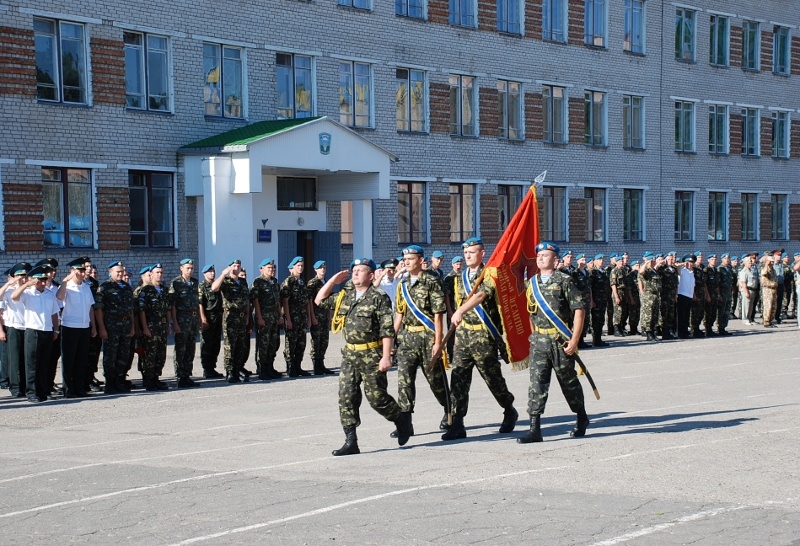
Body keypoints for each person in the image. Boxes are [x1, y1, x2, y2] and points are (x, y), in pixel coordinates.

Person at [314, 258, 412, 456]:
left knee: (377, 398)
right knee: (346, 396)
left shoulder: (378, 297)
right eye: (354, 270)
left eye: (361, 271)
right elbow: (319, 300)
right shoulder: (346, 295)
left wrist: (386, 356)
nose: (356, 273)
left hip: (372, 354)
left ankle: (401, 420)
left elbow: (387, 330)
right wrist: (333, 281)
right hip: (350, 354)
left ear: (371, 275)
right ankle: (351, 441)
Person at [445, 237, 518, 441]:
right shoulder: (459, 278)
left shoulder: (490, 274)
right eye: (465, 252)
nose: (468, 256)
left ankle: (509, 409)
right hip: (463, 336)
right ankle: (457, 423)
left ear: (482, 254)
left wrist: (460, 310)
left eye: (472, 252)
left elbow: (481, 296)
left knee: (493, 379)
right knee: (458, 379)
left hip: (484, 335)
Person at [518, 241, 588, 443]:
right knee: (536, 384)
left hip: (560, 342)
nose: (540, 258)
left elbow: (579, 311)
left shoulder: (565, 281)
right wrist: (534, 337)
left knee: (568, 382)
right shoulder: (531, 283)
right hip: (539, 342)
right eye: (538, 256)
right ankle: (534, 429)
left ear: (555, 260)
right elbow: (531, 313)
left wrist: (574, 340)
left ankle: (581, 416)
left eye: (545, 255)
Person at [394, 245, 450, 433]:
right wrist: (392, 339)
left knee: (435, 380)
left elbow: (438, 314)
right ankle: (406, 422)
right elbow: (399, 314)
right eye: (405, 259)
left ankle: (449, 410)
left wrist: (438, 342)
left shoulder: (432, 281)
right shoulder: (402, 285)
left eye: (411, 258)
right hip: (408, 337)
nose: (407, 262)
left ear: (420, 260)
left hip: (428, 337)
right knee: (404, 379)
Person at [12, 265, 60, 403]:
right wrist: (27, 284)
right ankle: (31, 392)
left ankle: (42, 391)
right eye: (41, 280)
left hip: (47, 331)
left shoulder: (49, 294)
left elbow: (54, 313)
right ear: (35, 280)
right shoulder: (27, 293)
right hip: (33, 331)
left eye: (45, 279)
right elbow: (14, 296)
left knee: (45, 363)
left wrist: (56, 329)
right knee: (32, 364)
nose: (44, 283)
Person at [55, 258, 96, 398]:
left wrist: (93, 326)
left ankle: (79, 388)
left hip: (84, 327)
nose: (82, 273)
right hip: (69, 327)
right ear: (72, 271)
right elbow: (59, 298)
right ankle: (68, 389)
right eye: (79, 270)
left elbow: (90, 307)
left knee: (81, 359)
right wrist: (65, 282)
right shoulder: (67, 286)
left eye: (84, 270)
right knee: (69, 360)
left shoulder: (86, 287)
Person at [95, 261, 135, 394]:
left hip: (126, 325)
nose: (120, 274)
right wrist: (101, 328)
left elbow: (130, 309)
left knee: (124, 354)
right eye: (117, 271)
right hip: (111, 326)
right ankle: (110, 383)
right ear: (110, 272)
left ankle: (120, 380)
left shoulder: (126, 287)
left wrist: (132, 326)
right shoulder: (105, 287)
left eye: (122, 271)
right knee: (110, 355)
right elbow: (99, 309)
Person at [211, 260, 251, 382]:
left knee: (240, 345)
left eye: (238, 266)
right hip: (230, 317)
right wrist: (223, 274)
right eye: (234, 266)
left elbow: (246, 301)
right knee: (230, 345)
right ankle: (229, 371)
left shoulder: (243, 282)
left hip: (242, 317)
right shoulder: (226, 282)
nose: (236, 268)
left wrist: (248, 317)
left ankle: (237, 370)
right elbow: (214, 288)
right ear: (229, 268)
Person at [0, 262, 32, 398]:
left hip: (29, 326)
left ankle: (25, 386)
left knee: (26, 358)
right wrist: (9, 283)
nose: (22, 279)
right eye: (20, 276)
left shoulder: (29, 290)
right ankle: (15, 387)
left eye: (25, 276)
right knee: (14, 359)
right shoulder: (8, 291)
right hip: (13, 327)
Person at [138, 264, 172, 390]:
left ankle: (156, 378)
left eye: (161, 272)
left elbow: (168, 309)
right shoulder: (145, 290)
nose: (159, 275)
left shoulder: (164, 289)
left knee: (161, 354)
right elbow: (142, 311)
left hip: (162, 327)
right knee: (150, 355)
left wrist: (168, 324)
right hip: (151, 327)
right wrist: (145, 328)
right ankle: (148, 380)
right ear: (151, 274)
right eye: (157, 272)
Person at [250, 258, 283, 380]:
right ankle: (262, 368)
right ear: (262, 269)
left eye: (273, 268)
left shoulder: (274, 282)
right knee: (263, 344)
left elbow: (277, 301)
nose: (272, 270)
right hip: (263, 316)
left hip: (274, 317)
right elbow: (256, 301)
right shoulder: (258, 282)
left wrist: (280, 316)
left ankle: (270, 367)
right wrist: (259, 317)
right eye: (269, 268)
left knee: (273, 343)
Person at [170, 258, 200, 387]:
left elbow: (197, 303)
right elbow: (173, 305)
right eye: (188, 268)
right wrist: (175, 323)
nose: (190, 270)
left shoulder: (194, 283)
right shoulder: (176, 283)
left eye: (192, 268)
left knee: (190, 348)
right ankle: (180, 376)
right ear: (181, 268)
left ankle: (187, 374)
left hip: (193, 319)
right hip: (182, 318)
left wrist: (198, 319)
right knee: (181, 348)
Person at [281, 256, 312, 377]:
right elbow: (285, 301)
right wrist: (288, 319)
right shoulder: (289, 281)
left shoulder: (302, 282)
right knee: (291, 343)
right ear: (292, 268)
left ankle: (298, 366)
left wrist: (309, 318)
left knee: (301, 343)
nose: (300, 268)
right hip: (292, 317)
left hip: (302, 317)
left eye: (302, 266)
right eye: (298, 266)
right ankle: (290, 367)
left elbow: (306, 302)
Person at [307, 260, 334, 375]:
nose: (322, 270)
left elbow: (327, 301)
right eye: (320, 268)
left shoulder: (326, 282)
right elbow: (309, 301)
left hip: (324, 316)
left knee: (324, 341)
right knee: (316, 341)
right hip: (316, 315)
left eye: (324, 267)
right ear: (315, 270)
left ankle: (321, 364)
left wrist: (329, 316)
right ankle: (316, 366)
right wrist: (312, 317)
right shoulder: (313, 283)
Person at [198, 265, 224, 378]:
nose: (212, 274)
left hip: (218, 317)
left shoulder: (217, 285)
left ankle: (212, 367)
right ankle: (206, 368)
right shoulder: (202, 286)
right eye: (210, 272)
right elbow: (200, 304)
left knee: (216, 344)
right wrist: (203, 319)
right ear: (204, 274)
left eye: (213, 271)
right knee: (206, 344)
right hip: (208, 317)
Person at [638, 252, 662, 341]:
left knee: (655, 315)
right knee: (648, 315)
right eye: (653, 261)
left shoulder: (654, 271)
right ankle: (648, 333)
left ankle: (653, 332)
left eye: (654, 260)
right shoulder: (646, 271)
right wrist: (646, 262)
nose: (654, 262)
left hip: (656, 295)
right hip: (649, 295)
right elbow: (641, 272)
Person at [588, 254, 609, 347]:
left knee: (601, 319)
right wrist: (591, 300)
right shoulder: (593, 273)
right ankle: (595, 339)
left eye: (602, 260)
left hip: (603, 299)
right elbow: (590, 288)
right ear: (595, 261)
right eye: (599, 260)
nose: (601, 261)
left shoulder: (603, 272)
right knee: (595, 320)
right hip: (596, 300)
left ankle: (599, 339)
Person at [658, 251, 679, 339]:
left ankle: (669, 330)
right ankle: (664, 332)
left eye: (671, 259)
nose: (670, 261)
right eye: (668, 259)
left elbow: (676, 283)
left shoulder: (674, 270)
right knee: (664, 314)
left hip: (672, 295)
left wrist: (675, 295)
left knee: (671, 313)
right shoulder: (662, 269)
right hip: (664, 295)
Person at [676, 255, 696, 339]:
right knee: (681, 315)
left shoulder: (692, 272)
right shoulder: (682, 271)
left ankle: (685, 331)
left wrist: (694, 295)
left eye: (692, 262)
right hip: (682, 295)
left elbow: (692, 285)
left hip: (689, 295)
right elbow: (677, 268)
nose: (690, 264)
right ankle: (680, 332)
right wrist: (683, 264)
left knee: (687, 315)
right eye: (688, 262)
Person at [609, 255, 629, 336]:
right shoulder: (614, 271)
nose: (621, 263)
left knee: (623, 311)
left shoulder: (623, 270)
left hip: (623, 292)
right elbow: (613, 284)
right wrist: (616, 296)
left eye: (622, 261)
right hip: (617, 292)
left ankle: (621, 327)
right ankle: (616, 329)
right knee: (618, 311)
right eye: (620, 261)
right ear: (616, 262)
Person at [716, 254, 734, 336]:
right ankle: (720, 328)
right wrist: (719, 294)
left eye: (728, 258)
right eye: (725, 258)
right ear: (722, 260)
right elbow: (718, 283)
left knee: (727, 311)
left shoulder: (729, 269)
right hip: (722, 292)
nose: (727, 260)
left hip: (728, 292)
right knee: (721, 311)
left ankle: (724, 327)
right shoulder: (720, 269)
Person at [760, 252, 779, 328]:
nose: (772, 263)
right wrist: (766, 264)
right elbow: (763, 273)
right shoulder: (765, 268)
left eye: (773, 261)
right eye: (771, 261)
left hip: (774, 289)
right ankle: (766, 322)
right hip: (768, 289)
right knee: (768, 306)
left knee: (774, 306)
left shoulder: (773, 269)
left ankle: (771, 320)